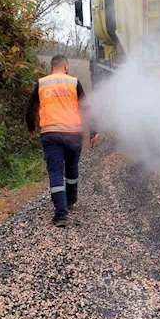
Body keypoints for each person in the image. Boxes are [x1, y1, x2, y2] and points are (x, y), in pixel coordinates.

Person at [26, 55, 99, 227]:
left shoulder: (42, 83)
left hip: (51, 134)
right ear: (65, 67)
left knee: (56, 172)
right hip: (73, 133)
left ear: (52, 68)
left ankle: (61, 214)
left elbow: (31, 107)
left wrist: (31, 127)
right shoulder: (74, 82)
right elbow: (86, 107)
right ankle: (71, 199)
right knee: (72, 168)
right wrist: (93, 130)